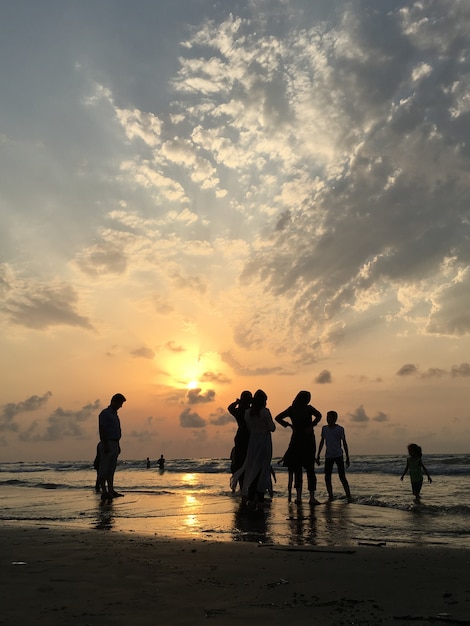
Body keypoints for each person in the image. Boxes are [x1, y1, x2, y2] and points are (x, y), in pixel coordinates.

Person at [230, 389, 275, 510]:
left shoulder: (246, 412)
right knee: (262, 468)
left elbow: (231, 409)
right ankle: (259, 497)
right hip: (262, 442)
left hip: (251, 441)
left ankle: (247, 495)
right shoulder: (264, 412)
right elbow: (272, 428)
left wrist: (237, 402)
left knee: (249, 466)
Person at [275, 391, 322, 505]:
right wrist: (311, 425)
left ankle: (299, 497)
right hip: (308, 439)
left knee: (298, 469)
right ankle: (311, 497)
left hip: (296, 439)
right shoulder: (309, 408)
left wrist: (288, 425)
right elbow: (319, 416)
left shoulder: (292, 409)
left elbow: (278, 418)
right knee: (310, 469)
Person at [316, 410, 352, 502]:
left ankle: (349, 496)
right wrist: (318, 454)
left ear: (335, 419)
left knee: (342, 477)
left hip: (338, 455)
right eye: (327, 418)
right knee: (327, 477)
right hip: (328, 456)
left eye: (330, 418)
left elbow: (344, 443)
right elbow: (322, 442)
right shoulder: (324, 429)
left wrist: (347, 457)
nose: (328, 419)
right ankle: (330, 496)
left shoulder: (340, 429)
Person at [98, 393, 126, 501]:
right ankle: (104, 491)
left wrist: (118, 445)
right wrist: (105, 444)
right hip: (107, 442)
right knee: (104, 468)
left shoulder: (114, 414)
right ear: (114, 401)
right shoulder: (105, 414)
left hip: (114, 442)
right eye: (120, 403)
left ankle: (111, 490)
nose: (121, 406)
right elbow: (102, 429)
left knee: (111, 469)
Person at [228, 391, 252, 490]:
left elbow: (230, 408)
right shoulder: (251, 411)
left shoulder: (239, 411)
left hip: (240, 435)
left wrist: (237, 402)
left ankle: (241, 486)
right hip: (250, 436)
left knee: (240, 461)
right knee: (249, 460)